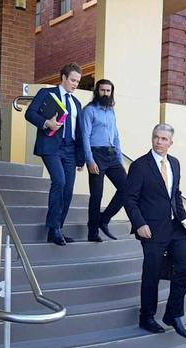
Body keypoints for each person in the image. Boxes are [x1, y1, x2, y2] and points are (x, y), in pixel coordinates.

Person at [124, 123, 186, 339]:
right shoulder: (140, 166)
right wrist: (139, 224)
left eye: (164, 139)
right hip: (151, 229)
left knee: (185, 266)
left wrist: (183, 218)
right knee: (152, 273)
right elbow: (129, 198)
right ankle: (146, 316)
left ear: (170, 143)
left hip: (175, 227)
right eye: (156, 137)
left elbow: (175, 193)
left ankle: (173, 314)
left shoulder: (175, 163)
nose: (159, 142)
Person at [25, 63, 85, 246]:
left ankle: (58, 228)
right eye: (73, 80)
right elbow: (30, 113)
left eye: (78, 81)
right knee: (59, 181)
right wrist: (46, 123)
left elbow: (80, 131)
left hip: (71, 150)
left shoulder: (76, 103)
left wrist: (81, 157)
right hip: (51, 146)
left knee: (68, 190)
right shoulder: (46, 93)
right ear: (64, 78)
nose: (75, 84)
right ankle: (53, 228)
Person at [81, 79, 126, 242]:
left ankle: (104, 219)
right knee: (96, 195)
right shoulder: (89, 110)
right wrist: (89, 160)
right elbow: (84, 136)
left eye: (108, 91)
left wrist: (119, 160)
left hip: (112, 155)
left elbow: (115, 136)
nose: (105, 93)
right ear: (97, 91)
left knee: (127, 188)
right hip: (96, 155)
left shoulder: (111, 111)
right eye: (102, 90)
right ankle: (92, 232)